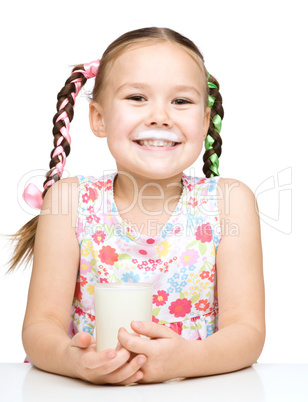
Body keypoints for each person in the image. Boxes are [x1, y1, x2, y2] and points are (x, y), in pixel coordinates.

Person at [8, 27, 265, 385]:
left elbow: (247, 333)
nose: (160, 116)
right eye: (137, 97)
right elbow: (40, 328)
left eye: (181, 101)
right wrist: (75, 361)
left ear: (205, 122)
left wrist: (186, 361)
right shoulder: (68, 202)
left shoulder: (229, 203)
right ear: (98, 118)